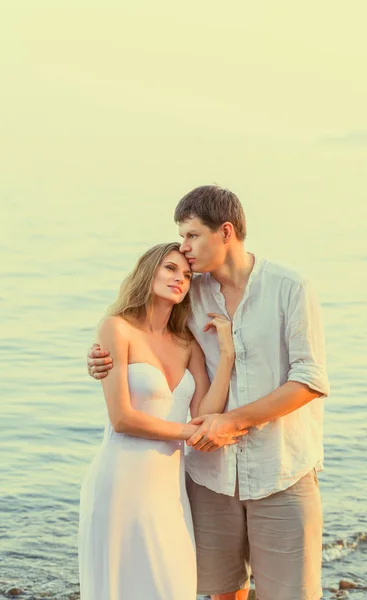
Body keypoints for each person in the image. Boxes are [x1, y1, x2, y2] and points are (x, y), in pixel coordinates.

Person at [88, 186, 330, 600]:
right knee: (221, 592)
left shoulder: (290, 287)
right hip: (209, 478)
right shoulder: (189, 292)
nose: (185, 250)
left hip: (281, 469)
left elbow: (309, 380)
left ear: (226, 232)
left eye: (192, 236)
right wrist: (100, 361)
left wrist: (231, 422)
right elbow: (146, 342)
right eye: (180, 238)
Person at [79, 241, 242, 600]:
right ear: (148, 270)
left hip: (168, 492)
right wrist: (191, 433)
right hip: (119, 483)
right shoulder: (116, 329)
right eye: (170, 268)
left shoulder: (187, 344)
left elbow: (203, 413)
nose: (179, 278)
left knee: (173, 587)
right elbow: (122, 418)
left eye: (186, 275)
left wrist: (227, 354)